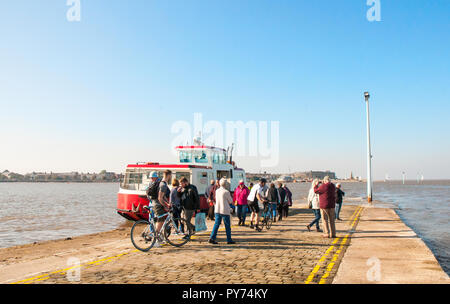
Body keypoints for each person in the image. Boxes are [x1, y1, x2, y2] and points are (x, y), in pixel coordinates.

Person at [209, 178, 235, 244]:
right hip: (224, 210)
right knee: (227, 226)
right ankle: (229, 239)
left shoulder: (217, 191)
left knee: (216, 224)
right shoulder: (226, 192)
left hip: (217, 209)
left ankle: (212, 237)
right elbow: (230, 201)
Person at [154, 170, 172, 246]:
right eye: (170, 175)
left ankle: (159, 239)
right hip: (158, 205)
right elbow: (160, 198)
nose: (171, 177)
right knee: (160, 222)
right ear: (168, 175)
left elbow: (163, 196)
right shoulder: (163, 185)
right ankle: (155, 241)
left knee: (160, 222)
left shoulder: (162, 183)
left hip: (158, 205)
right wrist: (165, 206)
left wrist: (167, 203)